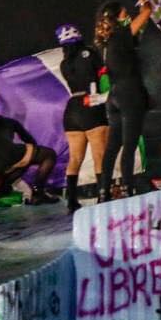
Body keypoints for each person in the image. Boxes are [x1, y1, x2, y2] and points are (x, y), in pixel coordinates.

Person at [95, 0, 152, 200]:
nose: (127, 14)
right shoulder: (120, 35)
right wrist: (146, 4)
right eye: (124, 12)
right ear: (118, 16)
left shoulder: (107, 41)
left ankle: (103, 191)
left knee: (112, 147)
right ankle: (127, 189)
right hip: (130, 93)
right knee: (129, 144)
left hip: (114, 96)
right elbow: (146, 15)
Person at [56, 23, 108, 211]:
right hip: (91, 104)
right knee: (100, 155)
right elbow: (104, 76)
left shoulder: (64, 64)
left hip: (72, 108)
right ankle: (104, 196)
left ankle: (71, 200)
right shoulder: (90, 53)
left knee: (75, 158)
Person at [0, 110, 58, 206]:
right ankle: (38, 192)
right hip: (6, 154)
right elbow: (29, 140)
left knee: (20, 162)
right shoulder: (9, 122)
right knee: (49, 155)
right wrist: (30, 154)